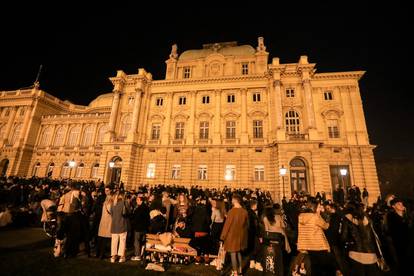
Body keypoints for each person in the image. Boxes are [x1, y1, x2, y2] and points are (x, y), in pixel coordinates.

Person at [297, 200, 339, 276]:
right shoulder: (315, 217)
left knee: (314, 268)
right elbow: (326, 226)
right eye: (319, 207)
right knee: (327, 267)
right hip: (318, 246)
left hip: (307, 246)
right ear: (314, 207)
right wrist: (322, 214)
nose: (320, 208)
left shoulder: (301, 216)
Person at [341, 202, 381, 276]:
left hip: (355, 254)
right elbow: (373, 237)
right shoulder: (367, 219)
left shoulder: (346, 219)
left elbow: (343, 237)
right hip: (371, 254)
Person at [220, 194, 249, 276]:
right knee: (238, 252)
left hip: (232, 236)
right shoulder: (244, 211)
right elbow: (247, 225)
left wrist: (223, 236)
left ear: (235, 200)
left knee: (233, 253)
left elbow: (227, 225)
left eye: (232, 199)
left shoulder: (232, 212)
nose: (231, 201)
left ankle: (235, 272)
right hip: (241, 235)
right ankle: (240, 270)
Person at [262, 205, 291, 276]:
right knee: (279, 260)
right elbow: (284, 227)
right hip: (279, 240)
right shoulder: (278, 217)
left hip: (270, 241)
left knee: (270, 260)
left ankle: (270, 273)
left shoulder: (265, 218)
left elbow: (266, 231)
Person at [385, 198, 411, 274]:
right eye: (398, 204)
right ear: (393, 206)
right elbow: (394, 231)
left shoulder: (408, 215)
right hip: (401, 244)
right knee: (404, 264)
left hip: (411, 242)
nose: (401, 205)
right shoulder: (391, 217)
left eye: (401, 203)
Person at [110, 192, 129, 263]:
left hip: (114, 225)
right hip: (122, 224)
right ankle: (121, 256)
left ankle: (113, 256)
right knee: (122, 242)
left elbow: (111, 214)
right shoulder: (124, 203)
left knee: (114, 242)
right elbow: (129, 212)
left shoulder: (113, 204)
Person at [130, 195, 150, 261]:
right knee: (142, 242)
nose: (136, 201)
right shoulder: (146, 207)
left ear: (140, 200)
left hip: (138, 227)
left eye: (137, 200)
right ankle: (142, 254)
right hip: (144, 227)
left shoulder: (139, 208)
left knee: (137, 242)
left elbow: (136, 218)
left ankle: (138, 255)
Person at [247, 200, 264, 272]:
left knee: (251, 248)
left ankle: (252, 262)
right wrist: (260, 236)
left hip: (249, 234)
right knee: (258, 249)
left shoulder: (248, 213)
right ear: (254, 205)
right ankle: (258, 263)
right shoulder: (253, 215)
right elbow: (256, 226)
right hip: (255, 234)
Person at [96, 189, 113, 259]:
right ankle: (101, 254)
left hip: (102, 222)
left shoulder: (104, 204)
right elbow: (111, 212)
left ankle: (98, 253)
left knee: (100, 238)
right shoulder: (110, 205)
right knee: (105, 239)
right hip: (107, 222)